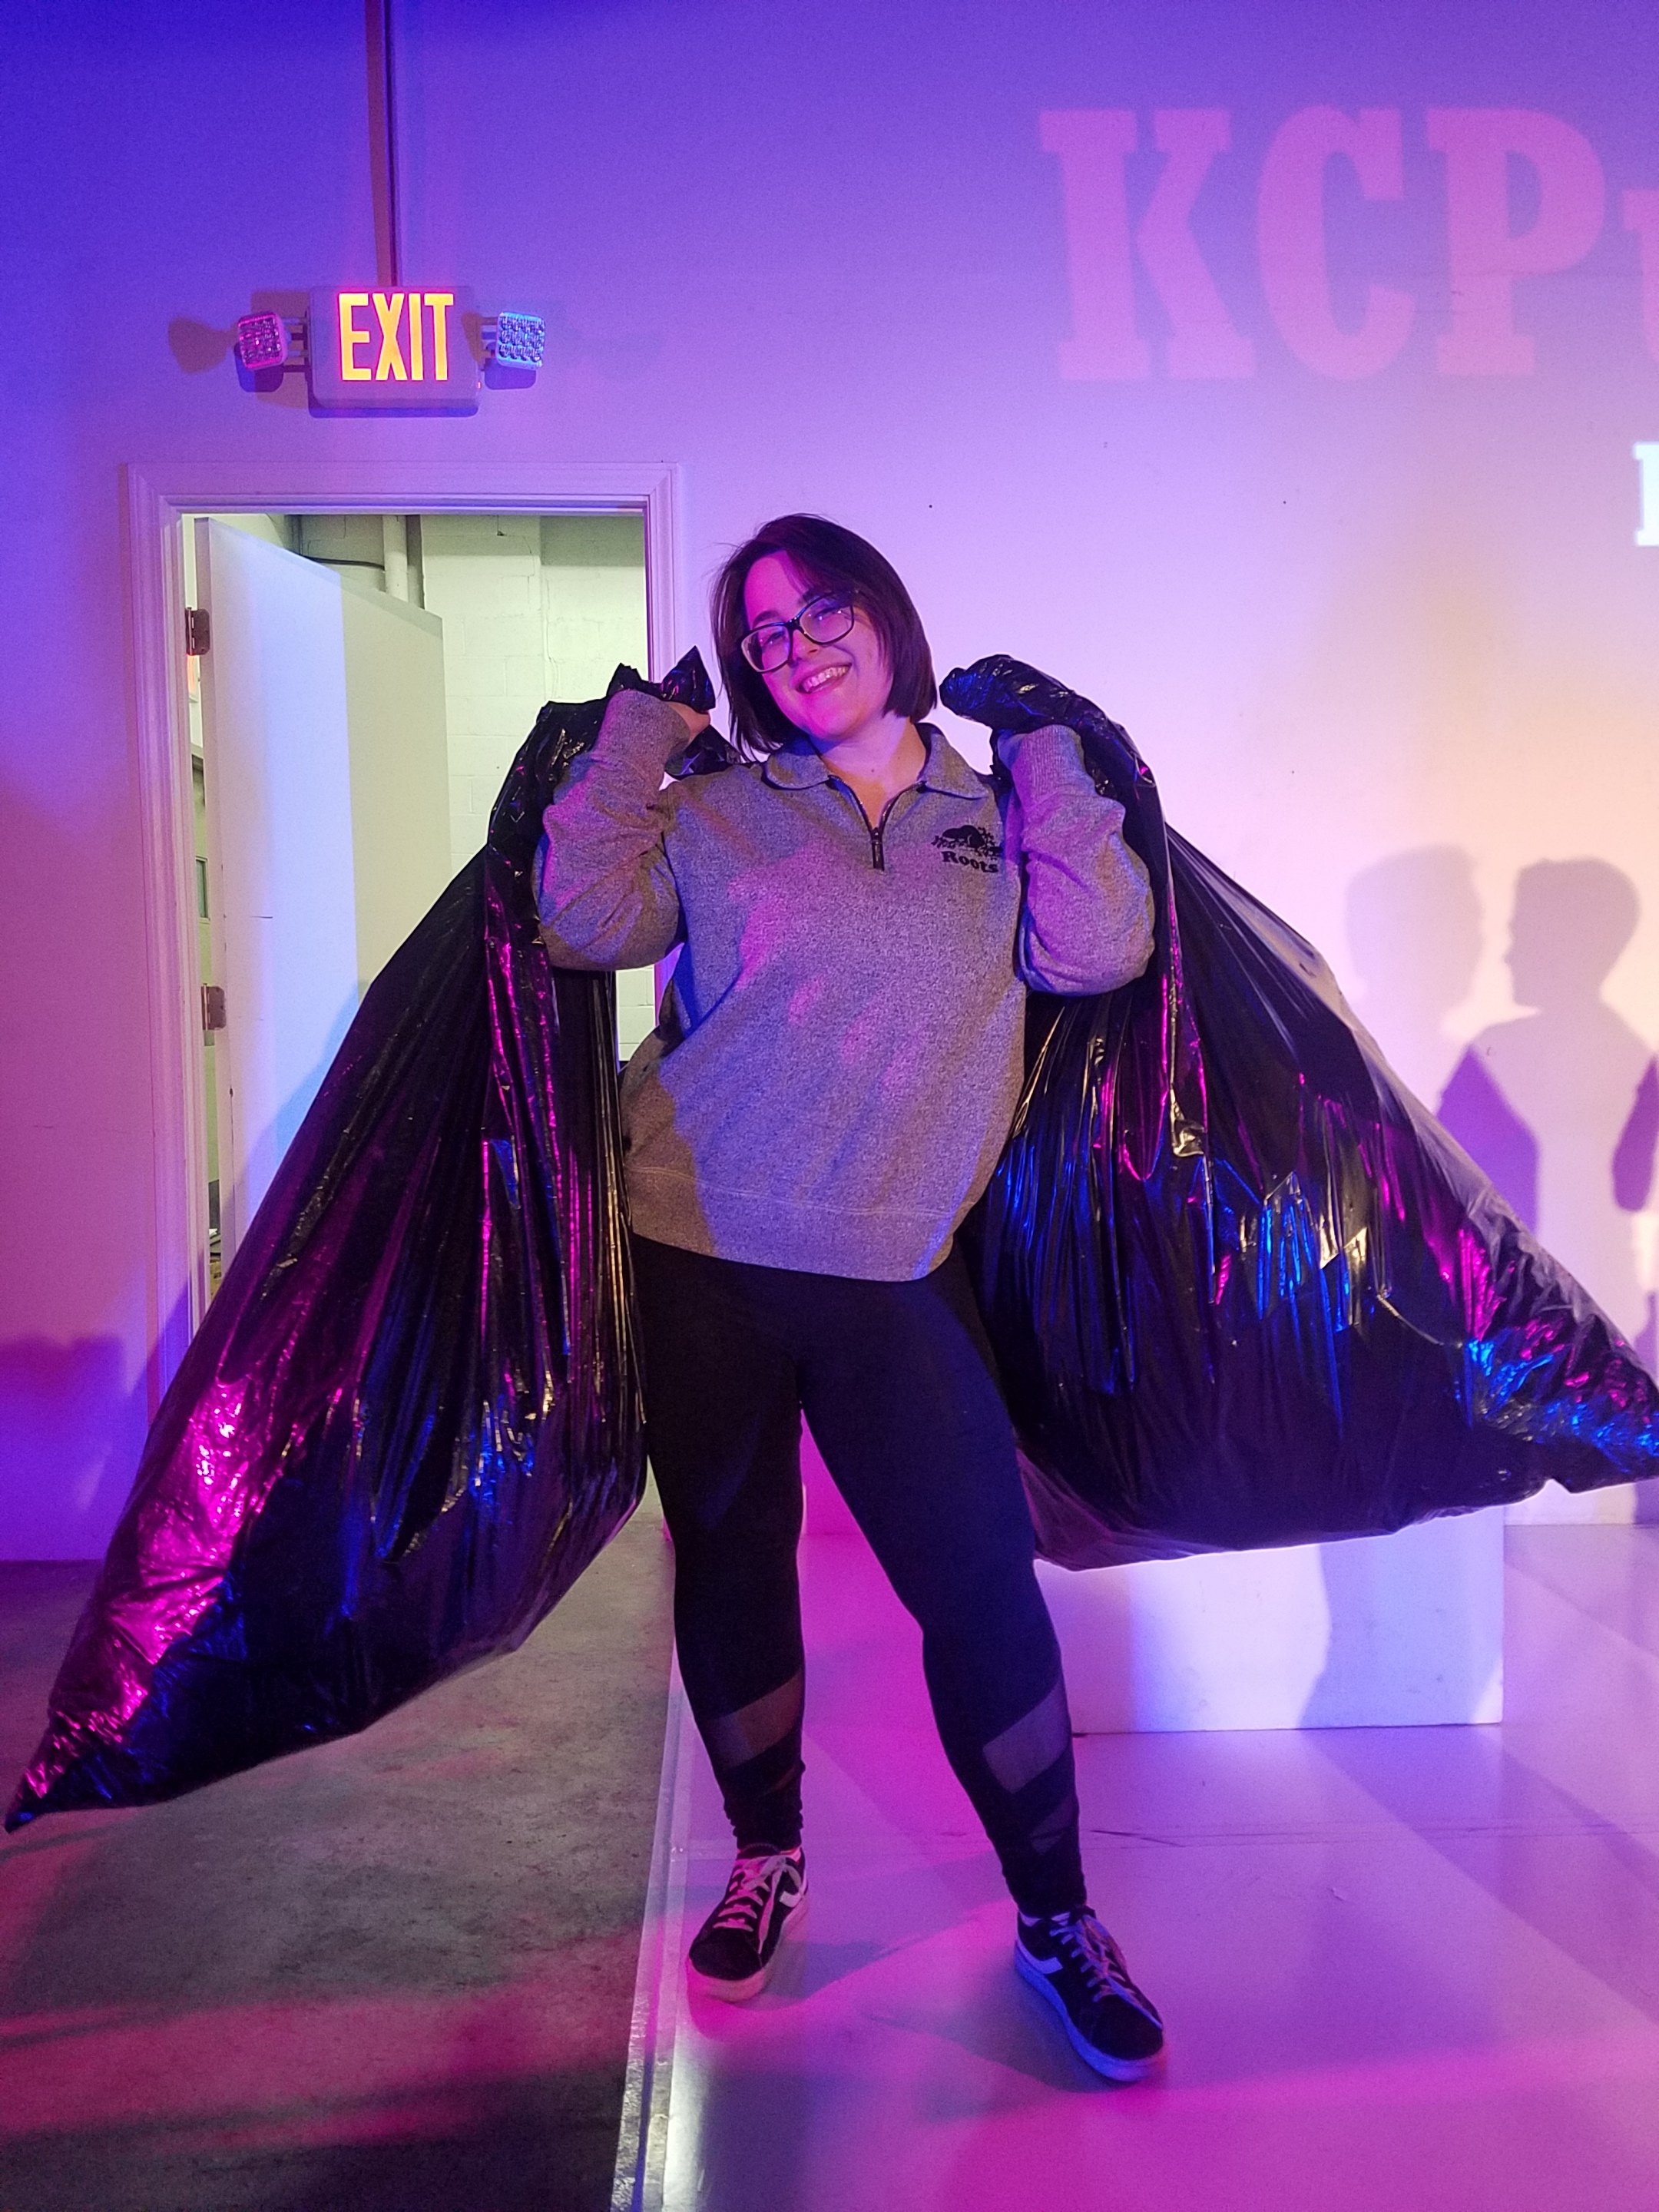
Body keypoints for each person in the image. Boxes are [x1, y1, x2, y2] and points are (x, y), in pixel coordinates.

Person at [537, 515, 1163, 2081]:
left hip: (896, 1264)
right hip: (702, 1248)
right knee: (735, 1561)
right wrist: (636, 740)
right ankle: (766, 1857)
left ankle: (1058, 1916)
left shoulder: (990, 800)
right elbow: (580, 921)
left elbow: (1095, 953)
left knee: (979, 1595)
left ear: (886, 617)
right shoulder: (720, 810)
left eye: (822, 611)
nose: (796, 645)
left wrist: (1055, 773)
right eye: (761, 632)